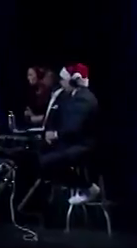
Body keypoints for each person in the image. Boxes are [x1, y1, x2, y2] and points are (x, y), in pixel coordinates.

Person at [40, 63, 100, 200]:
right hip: (71, 142)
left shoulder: (83, 98)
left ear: (73, 81)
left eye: (63, 79)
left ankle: (87, 187)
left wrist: (56, 134)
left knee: (46, 163)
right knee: (37, 157)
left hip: (83, 146)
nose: (61, 83)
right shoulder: (71, 96)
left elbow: (74, 127)